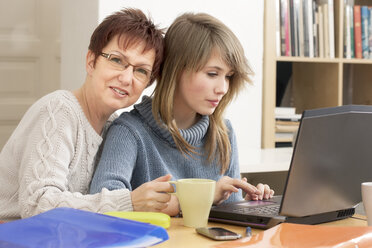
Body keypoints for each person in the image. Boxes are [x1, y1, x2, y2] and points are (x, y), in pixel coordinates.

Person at [90, 12, 274, 216]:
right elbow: (105, 201)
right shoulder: (129, 132)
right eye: (212, 74)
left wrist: (248, 204)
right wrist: (204, 196)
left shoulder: (224, 133)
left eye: (228, 77)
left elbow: (225, 214)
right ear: (176, 70)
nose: (222, 88)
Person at [0, 8, 165, 221]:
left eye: (141, 71)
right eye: (116, 60)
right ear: (91, 61)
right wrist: (129, 202)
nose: (126, 78)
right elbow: (38, 205)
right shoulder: (59, 110)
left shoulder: (116, 128)